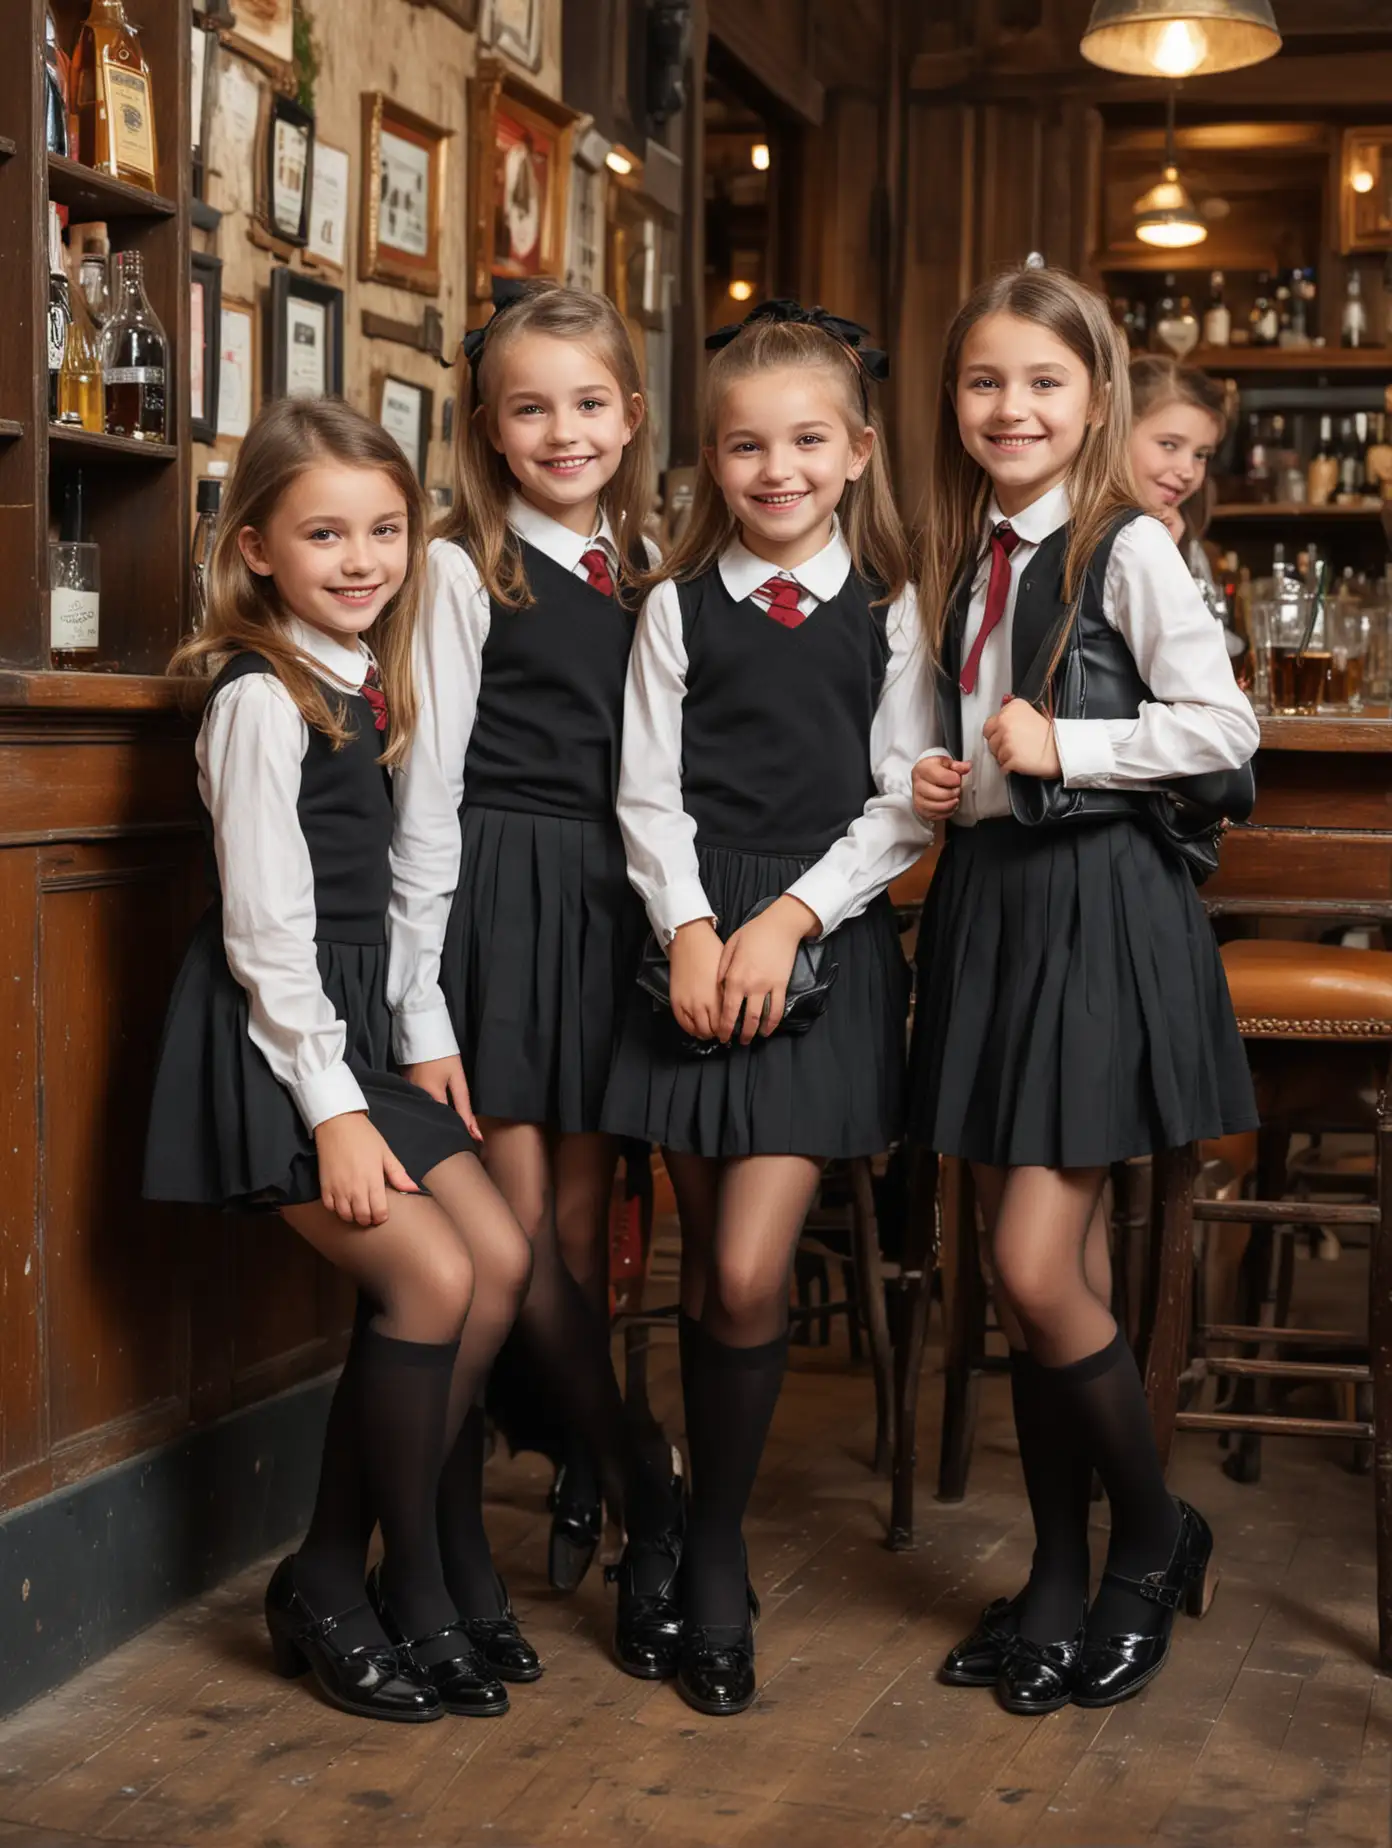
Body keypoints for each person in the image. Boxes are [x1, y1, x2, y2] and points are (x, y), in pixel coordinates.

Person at [143, 399, 535, 1722]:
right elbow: (265, 929)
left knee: (498, 1266)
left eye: (385, 529)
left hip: (359, 1028)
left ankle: (329, 1568)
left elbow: (395, 887)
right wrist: (334, 1108)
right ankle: (402, 1587)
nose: (363, 558)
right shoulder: (258, 697)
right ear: (253, 547)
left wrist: (412, 1046)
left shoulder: (369, 674)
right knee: (430, 1275)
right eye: (325, 534)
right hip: (278, 1039)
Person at [908, 267, 1259, 1714]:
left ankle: (1151, 1546)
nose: (1012, 408)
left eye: (1044, 384)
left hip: (1100, 917)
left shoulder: (1131, 548)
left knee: (1034, 1271)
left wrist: (1072, 749)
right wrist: (959, 780)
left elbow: (1221, 728)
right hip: (996, 906)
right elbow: (1001, 741)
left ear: (1096, 399)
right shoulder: (963, 552)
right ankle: (1058, 1578)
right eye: (987, 382)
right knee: (1058, 1282)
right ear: (955, 400)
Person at [602, 298, 932, 1716]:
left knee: (744, 1272)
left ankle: (716, 1543)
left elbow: (903, 804)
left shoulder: (895, 604)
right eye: (746, 447)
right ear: (709, 462)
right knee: (698, 1256)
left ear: (858, 451)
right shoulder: (673, 607)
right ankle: (688, 1533)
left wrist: (788, 917)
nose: (776, 469)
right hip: (681, 940)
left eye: (806, 441)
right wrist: (689, 926)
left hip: (827, 942)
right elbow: (645, 791)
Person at [386, 279, 683, 1681]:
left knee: (579, 1240)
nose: (562, 431)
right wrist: (421, 994)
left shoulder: (651, 558)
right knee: (514, 1256)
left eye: (587, 403)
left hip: (608, 913)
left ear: (630, 416)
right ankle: (637, 1489)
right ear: (491, 432)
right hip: (499, 909)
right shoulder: (461, 567)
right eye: (530, 409)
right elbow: (428, 795)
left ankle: (577, 1466)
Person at [1128, 355, 1243, 656]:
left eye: (1201, 455)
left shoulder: (1182, 538)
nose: (1188, 471)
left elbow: (1216, 648)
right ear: (1116, 433)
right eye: (1169, 445)